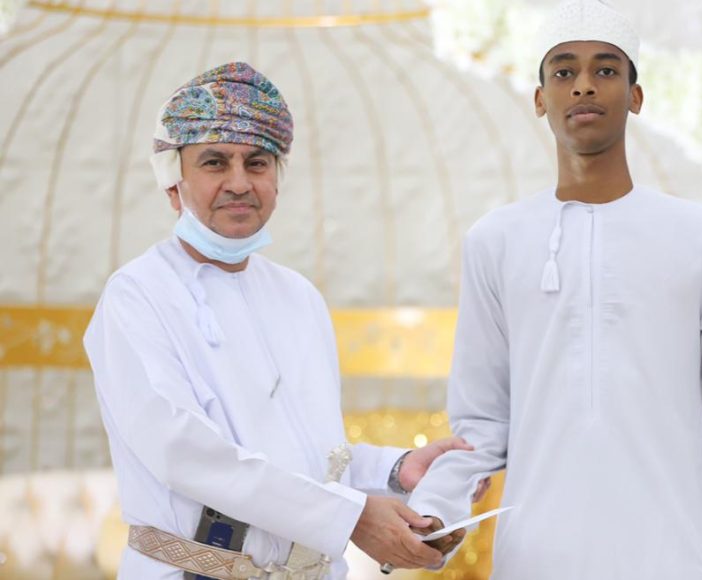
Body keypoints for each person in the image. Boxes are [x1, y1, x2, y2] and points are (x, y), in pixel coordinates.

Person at [402, 2, 702, 578]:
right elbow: (481, 422)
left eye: (606, 70)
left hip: (676, 556)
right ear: (540, 99)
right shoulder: (495, 241)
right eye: (564, 71)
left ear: (636, 96)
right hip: (537, 558)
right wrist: (435, 510)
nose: (583, 85)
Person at [84, 62, 478, 579]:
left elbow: (311, 457)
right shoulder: (136, 295)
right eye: (215, 162)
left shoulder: (298, 296)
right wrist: (351, 518)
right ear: (173, 182)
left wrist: (397, 469)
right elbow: (185, 454)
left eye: (257, 163)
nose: (239, 183)